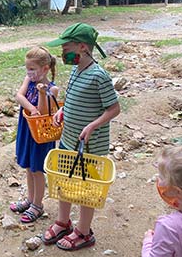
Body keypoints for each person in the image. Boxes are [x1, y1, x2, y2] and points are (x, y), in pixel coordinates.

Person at [42, 22, 120, 251]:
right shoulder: (77, 70)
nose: (62, 53)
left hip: (90, 145)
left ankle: (84, 232)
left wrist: (93, 126)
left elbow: (114, 108)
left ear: (83, 47)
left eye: (66, 48)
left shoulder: (99, 75)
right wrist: (61, 110)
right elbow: (75, 98)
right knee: (64, 182)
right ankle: (63, 222)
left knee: (87, 189)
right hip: (68, 139)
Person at [10, 46, 59, 223]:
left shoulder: (52, 90)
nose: (29, 72)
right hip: (27, 129)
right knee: (28, 167)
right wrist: (30, 108)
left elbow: (44, 112)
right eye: (27, 68)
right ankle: (30, 199)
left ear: (45, 69)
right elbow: (19, 96)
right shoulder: (28, 80)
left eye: (32, 69)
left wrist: (41, 93)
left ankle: (38, 205)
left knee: (37, 169)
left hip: (41, 134)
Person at [142, 146, 182, 257]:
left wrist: (148, 243)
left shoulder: (169, 228)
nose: (157, 180)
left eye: (161, 176)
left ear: (176, 192)